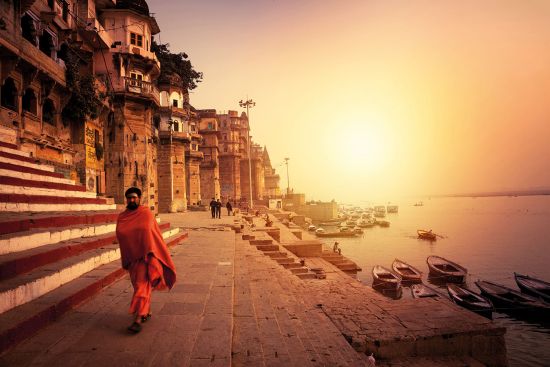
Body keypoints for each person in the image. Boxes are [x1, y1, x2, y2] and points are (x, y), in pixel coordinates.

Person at [116, 187, 176, 334]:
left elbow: (151, 233)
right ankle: (146, 311)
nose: (131, 200)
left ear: (140, 198)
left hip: (146, 256)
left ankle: (138, 318)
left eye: (134, 197)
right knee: (139, 286)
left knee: (141, 287)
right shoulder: (122, 216)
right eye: (129, 198)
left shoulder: (146, 213)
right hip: (131, 257)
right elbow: (121, 233)